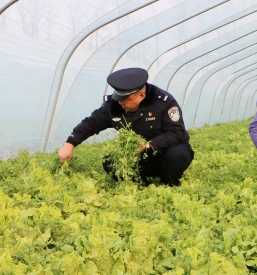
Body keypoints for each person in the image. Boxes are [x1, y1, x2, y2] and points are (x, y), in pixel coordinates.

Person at [58, 67, 194, 186]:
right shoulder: (114, 105)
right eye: (119, 99)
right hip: (141, 158)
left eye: (126, 100)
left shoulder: (163, 102)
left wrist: (147, 146)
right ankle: (142, 187)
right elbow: (92, 123)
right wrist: (70, 144)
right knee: (110, 162)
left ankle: (169, 186)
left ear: (141, 95)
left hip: (165, 154)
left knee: (175, 154)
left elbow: (177, 133)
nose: (121, 103)